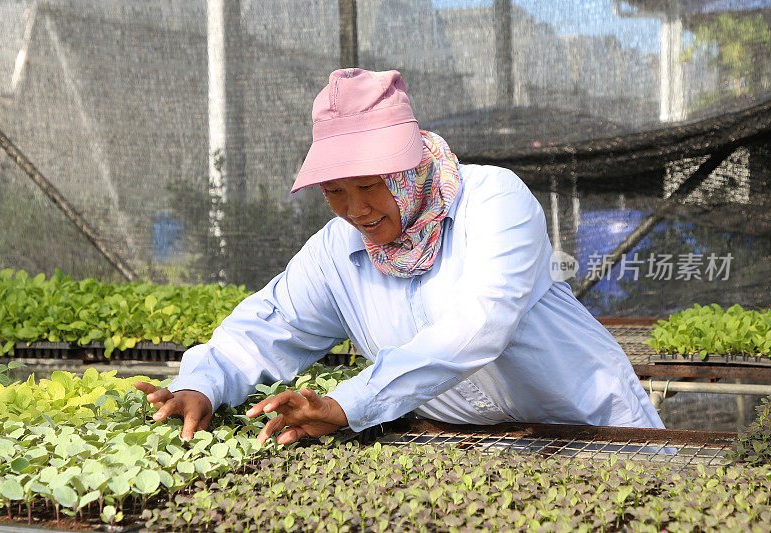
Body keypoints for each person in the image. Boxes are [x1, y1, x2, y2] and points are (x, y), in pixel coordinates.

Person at [135, 68, 663, 443]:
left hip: (595, 432)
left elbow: (477, 325)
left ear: (408, 169)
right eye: (335, 192)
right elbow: (269, 325)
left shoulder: (493, 201)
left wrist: (351, 403)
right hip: (470, 452)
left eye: (369, 185)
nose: (356, 210)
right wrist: (199, 384)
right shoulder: (337, 252)